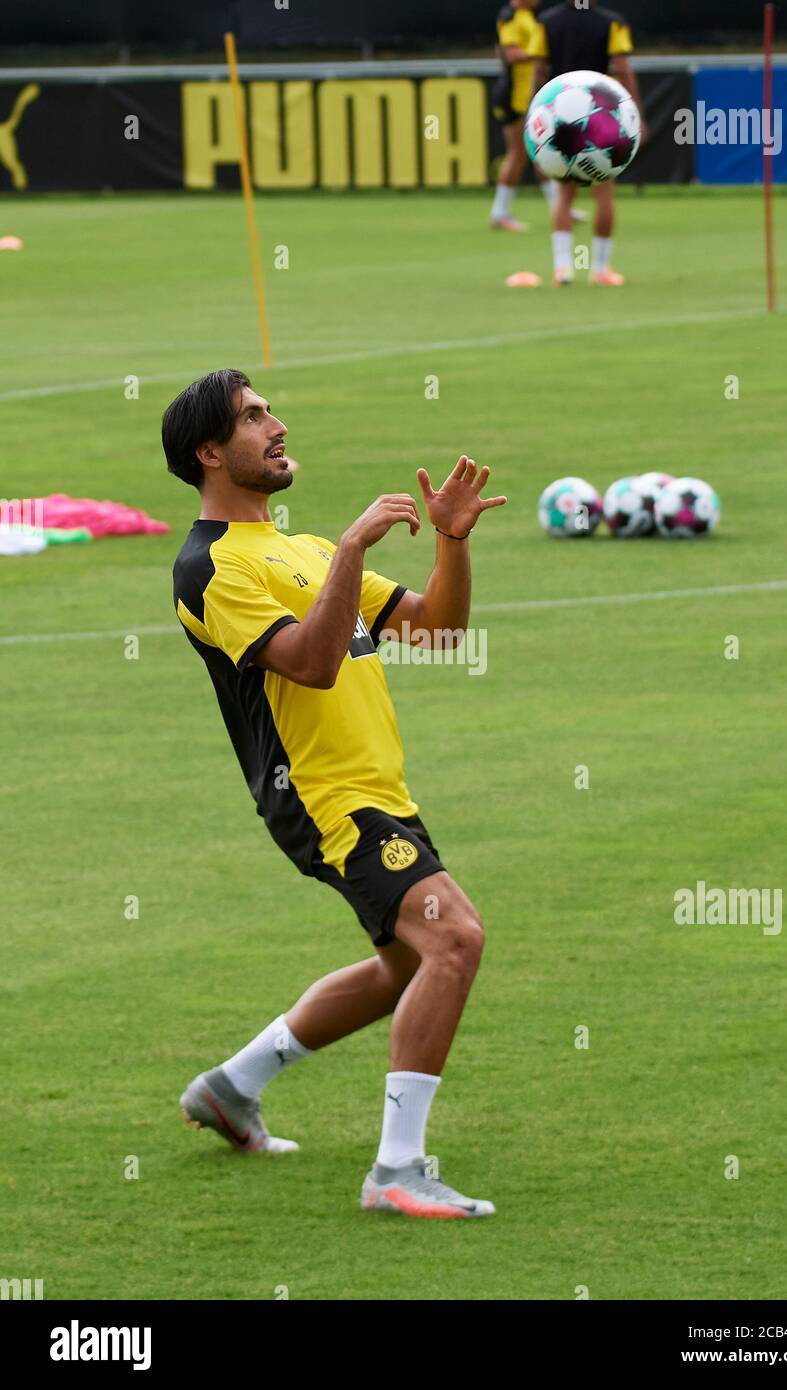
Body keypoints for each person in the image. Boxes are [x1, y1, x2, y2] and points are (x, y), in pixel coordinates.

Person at [163, 368, 507, 1220]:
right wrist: (353, 551)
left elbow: (438, 628)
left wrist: (451, 542)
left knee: (404, 967)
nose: (275, 425)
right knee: (455, 940)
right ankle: (396, 1171)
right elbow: (311, 666)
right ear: (210, 451)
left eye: (270, 409)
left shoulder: (305, 548)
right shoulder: (207, 568)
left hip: (377, 788)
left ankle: (230, 1088)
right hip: (323, 797)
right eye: (252, 417)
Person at [528, 0, 645, 286]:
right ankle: (601, 269)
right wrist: (636, 114)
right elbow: (622, 68)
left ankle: (563, 268)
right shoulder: (611, 21)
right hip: (598, 117)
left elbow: (538, 70)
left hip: (559, 119)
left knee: (564, 194)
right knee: (604, 193)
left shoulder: (546, 21)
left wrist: (533, 115)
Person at [489, 0, 587, 231]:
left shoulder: (530, 16)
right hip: (514, 97)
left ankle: (559, 208)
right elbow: (511, 54)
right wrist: (542, 54)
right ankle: (499, 212)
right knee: (518, 153)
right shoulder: (511, 15)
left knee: (542, 152)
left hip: (530, 98)